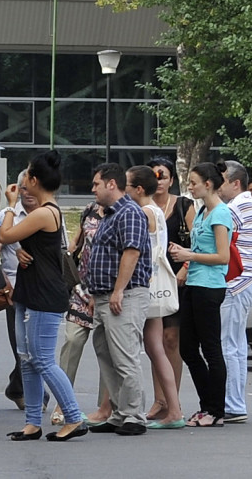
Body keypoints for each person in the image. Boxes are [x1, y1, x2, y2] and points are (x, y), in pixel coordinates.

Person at [0, 151, 87, 442]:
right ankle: (32, 422)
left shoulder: (45, 212)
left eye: (26, 174)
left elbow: (5, 235)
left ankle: (74, 416)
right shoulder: (43, 210)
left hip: (44, 294)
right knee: (27, 359)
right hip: (30, 288)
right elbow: (26, 245)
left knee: (43, 359)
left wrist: (10, 205)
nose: (23, 180)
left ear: (34, 180)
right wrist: (23, 251)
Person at [86, 163, 152, 436]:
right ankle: (119, 411)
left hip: (124, 295)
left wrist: (118, 290)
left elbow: (132, 252)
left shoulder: (130, 213)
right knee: (107, 355)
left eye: (96, 184)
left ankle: (134, 415)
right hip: (104, 296)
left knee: (125, 356)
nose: (93, 190)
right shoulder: (111, 214)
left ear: (111, 184)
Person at [169, 161, 231, 428]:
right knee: (187, 348)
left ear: (208, 184)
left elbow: (223, 256)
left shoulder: (220, 213)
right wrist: (185, 263)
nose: (189, 187)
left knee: (211, 348)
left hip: (210, 286)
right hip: (194, 284)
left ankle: (216, 409)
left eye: (193, 182)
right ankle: (207, 404)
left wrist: (188, 256)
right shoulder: (204, 210)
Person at [125, 166, 184, 429]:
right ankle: (173, 408)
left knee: (137, 349)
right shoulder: (157, 212)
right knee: (155, 348)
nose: (123, 188)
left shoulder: (143, 212)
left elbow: (137, 251)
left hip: (143, 286)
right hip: (155, 285)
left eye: (127, 184)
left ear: (138, 188)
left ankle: (167, 408)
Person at [145, 157, 195, 421]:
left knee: (171, 340)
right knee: (154, 341)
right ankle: (159, 400)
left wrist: (184, 270)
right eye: (153, 176)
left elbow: (198, 241)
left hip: (177, 280)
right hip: (152, 281)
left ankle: (171, 399)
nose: (158, 181)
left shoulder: (184, 205)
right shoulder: (144, 207)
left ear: (172, 179)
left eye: (162, 176)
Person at [54, 198, 111, 426]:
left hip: (106, 288)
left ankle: (105, 406)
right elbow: (75, 244)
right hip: (81, 286)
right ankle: (62, 402)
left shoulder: (123, 213)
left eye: (98, 184)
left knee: (106, 350)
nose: (94, 189)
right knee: (72, 341)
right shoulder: (89, 209)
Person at [217, 161, 252, 423]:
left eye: (220, 181)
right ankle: (235, 402)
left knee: (229, 345)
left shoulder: (234, 207)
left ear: (235, 183)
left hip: (235, 284)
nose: (216, 187)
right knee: (237, 344)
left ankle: (232, 404)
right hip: (245, 283)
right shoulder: (246, 203)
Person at [0, 171, 39, 412]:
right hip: (14, 289)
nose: (28, 193)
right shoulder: (6, 216)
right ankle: (32, 394)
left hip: (40, 288)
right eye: (23, 188)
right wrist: (4, 284)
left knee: (37, 347)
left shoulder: (50, 214)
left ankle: (18, 387)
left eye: (32, 188)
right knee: (21, 347)